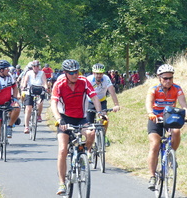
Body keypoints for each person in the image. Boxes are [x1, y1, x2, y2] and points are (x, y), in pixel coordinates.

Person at [51, 59, 103, 196]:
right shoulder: (59, 84)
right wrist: (58, 119)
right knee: (62, 149)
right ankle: (62, 183)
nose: (75, 75)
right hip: (65, 118)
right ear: (65, 73)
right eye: (71, 72)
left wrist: (100, 113)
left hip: (81, 118)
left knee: (91, 133)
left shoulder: (84, 81)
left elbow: (95, 98)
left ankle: (84, 154)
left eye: (76, 72)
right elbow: (53, 104)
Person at [145, 64, 187, 191]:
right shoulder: (154, 89)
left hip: (170, 118)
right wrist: (150, 113)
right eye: (165, 78)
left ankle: (171, 156)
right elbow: (148, 102)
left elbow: (184, 105)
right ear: (159, 78)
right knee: (155, 144)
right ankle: (152, 176)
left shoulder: (177, 89)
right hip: (156, 118)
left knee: (176, 131)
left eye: (170, 78)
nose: (168, 81)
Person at [0, 60, 20, 156]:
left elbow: (15, 87)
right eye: (7, 69)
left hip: (8, 102)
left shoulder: (10, 77)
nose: (8, 70)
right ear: (1, 70)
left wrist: (14, 98)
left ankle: (9, 126)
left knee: (17, 107)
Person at [87, 63, 120, 147]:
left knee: (104, 120)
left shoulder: (106, 79)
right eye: (97, 73)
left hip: (102, 101)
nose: (99, 76)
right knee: (89, 125)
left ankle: (103, 135)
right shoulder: (89, 79)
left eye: (101, 73)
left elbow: (112, 91)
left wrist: (116, 104)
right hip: (90, 102)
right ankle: (89, 149)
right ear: (93, 73)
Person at [22, 60, 48, 133]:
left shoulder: (42, 73)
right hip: (30, 91)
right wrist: (24, 86)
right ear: (32, 67)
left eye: (37, 66)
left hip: (39, 90)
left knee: (40, 103)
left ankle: (38, 115)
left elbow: (44, 82)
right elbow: (25, 81)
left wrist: (46, 87)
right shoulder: (28, 73)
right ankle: (26, 126)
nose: (36, 68)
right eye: (34, 66)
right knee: (28, 108)